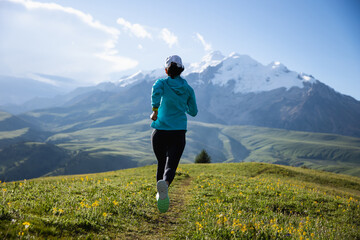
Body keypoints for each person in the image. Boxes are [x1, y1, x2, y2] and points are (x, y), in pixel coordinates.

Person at [150, 55, 198, 213]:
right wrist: (183, 106)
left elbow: (156, 93)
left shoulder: (161, 83)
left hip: (160, 132)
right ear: (181, 70)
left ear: (166, 70)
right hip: (178, 133)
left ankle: (160, 194)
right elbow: (194, 112)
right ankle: (166, 185)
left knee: (161, 163)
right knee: (171, 165)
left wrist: (155, 110)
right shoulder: (188, 89)